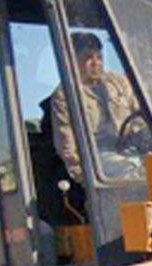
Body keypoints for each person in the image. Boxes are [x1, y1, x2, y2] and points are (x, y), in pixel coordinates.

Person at [49, 32, 144, 184]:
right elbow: (67, 145)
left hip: (132, 148)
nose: (96, 63)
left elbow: (141, 114)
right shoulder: (64, 96)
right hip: (98, 158)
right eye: (88, 58)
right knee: (132, 171)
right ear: (72, 60)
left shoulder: (118, 82)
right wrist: (86, 180)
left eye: (99, 57)